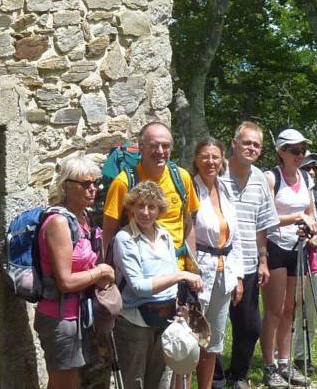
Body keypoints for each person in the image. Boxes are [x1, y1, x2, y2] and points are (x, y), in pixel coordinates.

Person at [112, 181, 204, 389]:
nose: (145, 212)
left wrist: (179, 305)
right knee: (133, 383)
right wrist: (181, 275)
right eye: (140, 206)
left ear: (159, 210)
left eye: (151, 207)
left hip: (165, 319)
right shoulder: (125, 238)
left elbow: (170, 275)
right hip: (135, 322)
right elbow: (139, 287)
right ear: (131, 207)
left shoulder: (164, 235)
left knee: (160, 381)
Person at [35, 156, 116, 389]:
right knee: (65, 384)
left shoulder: (84, 218)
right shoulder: (59, 222)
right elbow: (65, 281)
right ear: (66, 186)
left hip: (81, 315)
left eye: (95, 183)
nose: (93, 189)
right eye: (85, 184)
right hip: (61, 318)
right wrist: (100, 272)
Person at [214, 121, 277, 389]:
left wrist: (263, 260)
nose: (251, 148)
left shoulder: (260, 178)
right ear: (234, 143)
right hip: (219, 262)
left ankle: (238, 375)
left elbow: (262, 224)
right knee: (214, 324)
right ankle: (215, 377)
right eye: (247, 142)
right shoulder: (217, 172)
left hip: (250, 262)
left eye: (256, 145)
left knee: (250, 326)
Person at [261, 129, 317, 388]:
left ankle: (285, 362)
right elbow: (265, 218)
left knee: (290, 308)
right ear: (281, 151)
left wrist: (310, 226)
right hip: (275, 246)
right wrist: (297, 218)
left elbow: (311, 211)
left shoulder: (305, 177)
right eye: (294, 150)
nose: (300, 155)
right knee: (273, 310)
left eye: (302, 150)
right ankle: (269, 365)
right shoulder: (271, 178)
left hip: (298, 247)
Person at [102, 120, 200, 266]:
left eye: (165, 146)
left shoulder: (181, 177)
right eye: (154, 146)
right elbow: (108, 232)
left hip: (178, 268)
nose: (160, 151)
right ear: (141, 148)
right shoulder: (123, 182)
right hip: (140, 270)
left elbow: (188, 224)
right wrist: (107, 268)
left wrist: (192, 265)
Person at [191, 137, 246, 389]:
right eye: (205, 157)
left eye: (215, 157)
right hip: (199, 272)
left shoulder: (225, 189)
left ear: (222, 160)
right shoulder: (190, 189)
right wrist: (189, 272)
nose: (210, 162)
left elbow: (235, 237)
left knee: (213, 340)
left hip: (224, 274)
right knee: (191, 339)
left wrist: (238, 276)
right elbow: (185, 234)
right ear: (196, 160)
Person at [292, 152, 317, 378]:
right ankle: (279, 358)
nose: (312, 172)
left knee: (308, 312)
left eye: (314, 168)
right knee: (286, 311)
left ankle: (302, 356)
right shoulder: (283, 194)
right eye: (307, 168)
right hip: (287, 262)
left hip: (313, 263)